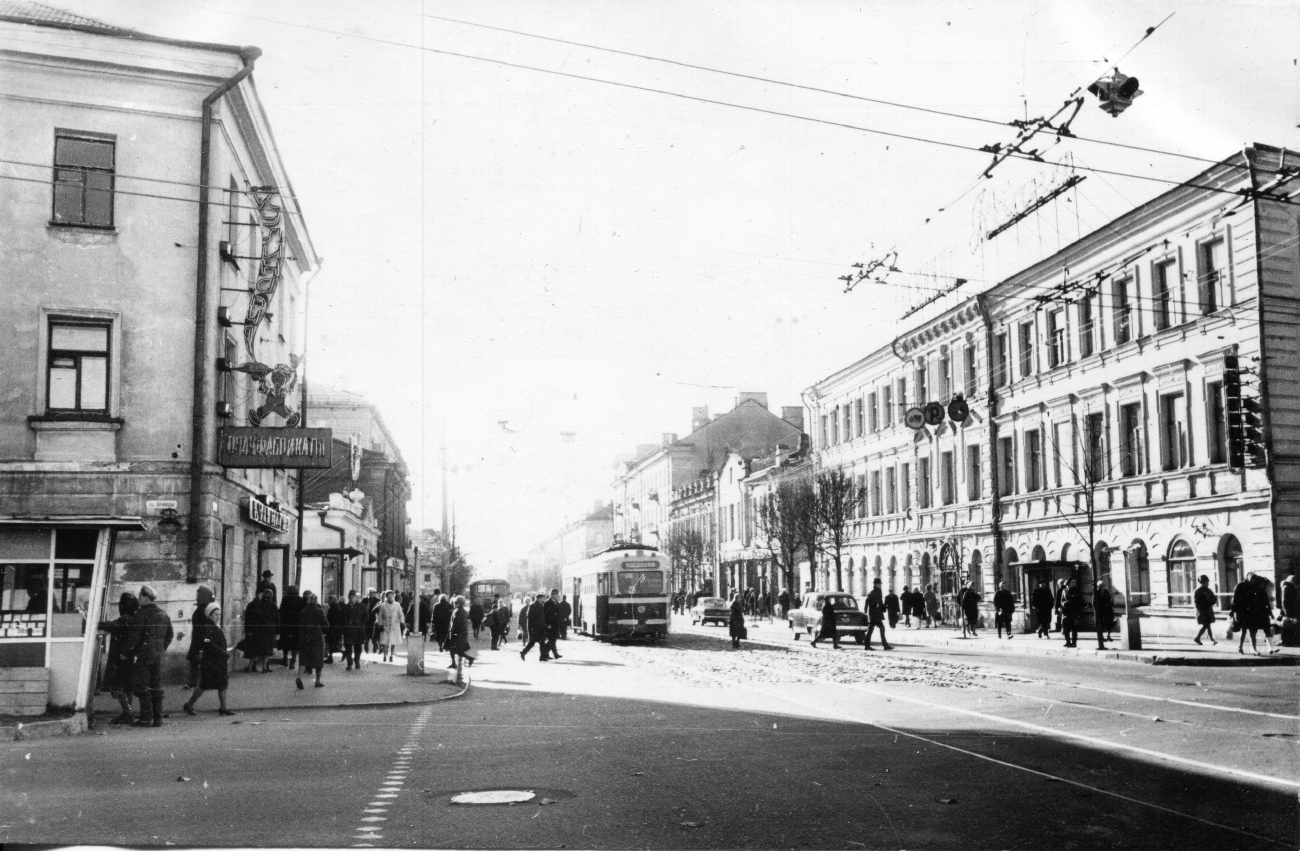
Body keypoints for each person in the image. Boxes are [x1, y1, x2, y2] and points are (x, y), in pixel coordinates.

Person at [122, 584, 173, 727]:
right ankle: (158, 718)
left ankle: (145, 718)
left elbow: (134, 637)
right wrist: (161, 648)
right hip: (157, 655)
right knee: (155, 686)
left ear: (146, 597)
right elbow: (170, 634)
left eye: (140, 596)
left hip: (143, 655)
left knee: (143, 687)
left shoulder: (141, 614)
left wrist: (125, 652)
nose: (138, 599)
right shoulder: (163, 614)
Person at [183, 602, 234, 716]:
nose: (218, 617)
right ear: (209, 615)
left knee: (222, 683)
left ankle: (223, 707)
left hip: (219, 660)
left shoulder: (215, 626)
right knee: (204, 684)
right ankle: (190, 704)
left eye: (219, 614)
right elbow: (206, 641)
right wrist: (220, 651)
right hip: (211, 660)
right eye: (215, 614)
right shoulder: (207, 627)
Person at [99, 592, 139, 724]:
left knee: (117, 685)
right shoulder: (136, 619)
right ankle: (127, 711)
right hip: (131, 657)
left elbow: (110, 626)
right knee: (128, 686)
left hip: (120, 657)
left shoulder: (125, 619)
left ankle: (128, 713)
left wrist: (97, 622)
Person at [183, 585, 215, 691]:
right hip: (198, 639)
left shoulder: (204, 610)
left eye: (198, 595)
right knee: (194, 661)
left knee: (198, 661)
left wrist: (204, 642)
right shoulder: (202, 609)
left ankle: (198, 683)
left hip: (201, 639)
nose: (196, 597)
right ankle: (193, 682)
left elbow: (205, 628)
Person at [297, 590, 329, 689]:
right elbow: (326, 625)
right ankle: (317, 681)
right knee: (319, 659)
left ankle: (299, 677)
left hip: (304, 636)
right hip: (317, 637)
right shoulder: (320, 611)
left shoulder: (303, 612)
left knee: (304, 658)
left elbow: (299, 625)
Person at [243, 586, 279, 673]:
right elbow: (277, 619)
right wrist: (277, 632)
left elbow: (252, 618)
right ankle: (264, 668)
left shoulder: (257, 604)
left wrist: (250, 630)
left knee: (255, 649)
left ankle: (250, 666)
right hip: (269, 631)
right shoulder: (273, 606)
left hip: (258, 630)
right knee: (267, 651)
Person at [277, 585, 305, 669]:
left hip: (286, 625)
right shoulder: (300, 599)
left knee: (285, 643)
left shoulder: (285, 599)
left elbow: (281, 611)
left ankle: (285, 659)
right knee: (295, 644)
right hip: (296, 625)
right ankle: (293, 661)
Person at [375, 590, 405, 662]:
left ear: (393, 596)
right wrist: (380, 624)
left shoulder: (397, 604)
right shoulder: (383, 605)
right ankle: (385, 655)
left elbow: (400, 614)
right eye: (389, 596)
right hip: (385, 626)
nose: (390, 598)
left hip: (395, 626)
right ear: (386, 597)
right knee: (385, 642)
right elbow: (380, 616)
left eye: (391, 596)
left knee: (393, 641)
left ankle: (391, 655)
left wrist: (402, 622)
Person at [342, 589, 368, 670]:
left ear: (356, 598)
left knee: (358, 647)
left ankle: (357, 661)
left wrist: (361, 625)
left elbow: (366, 617)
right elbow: (342, 619)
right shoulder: (345, 607)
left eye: (353, 597)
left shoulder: (361, 606)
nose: (351, 599)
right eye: (350, 597)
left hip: (358, 630)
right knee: (348, 648)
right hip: (348, 631)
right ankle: (349, 663)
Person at [865, 578, 893, 650]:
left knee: (872, 629)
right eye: (879, 584)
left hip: (874, 614)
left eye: (880, 584)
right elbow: (873, 602)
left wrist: (883, 606)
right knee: (880, 628)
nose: (880, 585)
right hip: (875, 614)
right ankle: (884, 645)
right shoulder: (875, 592)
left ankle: (867, 645)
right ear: (876, 584)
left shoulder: (874, 592)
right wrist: (879, 605)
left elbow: (870, 603)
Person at [521, 593, 549, 660]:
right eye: (542, 598)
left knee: (542, 642)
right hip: (535, 628)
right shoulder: (533, 606)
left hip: (540, 627)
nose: (543, 600)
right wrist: (531, 629)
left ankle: (542, 656)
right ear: (538, 599)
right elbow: (530, 618)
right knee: (532, 642)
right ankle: (523, 652)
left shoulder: (540, 605)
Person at [447, 595, 473, 668]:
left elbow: (457, 623)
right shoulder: (460, 610)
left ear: (459, 603)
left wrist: (452, 631)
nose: (454, 604)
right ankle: (454, 663)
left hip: (457, 633)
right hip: (459, 633)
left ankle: (469, 659)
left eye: (455, 603)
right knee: (453, 649)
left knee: (457, 650)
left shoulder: (459, 611)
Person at [1193, 575, 1219, 645]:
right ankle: (1202, 638)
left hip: (1208, 610)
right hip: (1202, 611)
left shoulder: (1208, 590)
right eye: (1205, 582)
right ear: (1202, 583)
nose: (1207, 583)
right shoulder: (1198, 591)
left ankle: (1209, 639)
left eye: (1207, 582)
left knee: (1207, 625)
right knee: (1206, 625)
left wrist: (1212, 601)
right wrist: (1205, 603)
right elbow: (1196, 602)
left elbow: (1213, 598)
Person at [1061, 579, 1083, 648]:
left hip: (1074, 611)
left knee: (1074, 628)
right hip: (1066, 611)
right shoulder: (1064, 591)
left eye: (1074, 582)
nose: (1074, 584)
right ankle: (1068, 642)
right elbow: (1062, 600)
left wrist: (1070, 599)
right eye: (1072, 582)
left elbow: (1079, 600)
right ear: (1068, 583)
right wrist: (1063, 603)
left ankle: (1074, 643)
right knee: (1065, 627)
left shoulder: (1076, 590)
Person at [1093, 580, 1115, 649]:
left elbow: (1110, 598)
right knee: (1101, 624)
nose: (1102, 587)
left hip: (1108, 610)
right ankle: (1102, 637)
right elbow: (1094, 602)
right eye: (1101, 585)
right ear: (1098, 586)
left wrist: (1111, 602)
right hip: (1101, 611)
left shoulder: (1106, 591)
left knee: (1109, 623)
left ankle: (1108, 636)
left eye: (1103, 585)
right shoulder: (1096, 592)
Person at [543, 589, 563, 660]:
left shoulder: (556, 602)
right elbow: (546, 615)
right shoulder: (547, 603)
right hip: (550, 625)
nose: (558, 596)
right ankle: (554, 654)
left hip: (555, 624)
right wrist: (548, 624)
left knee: (553, 640)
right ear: (553, 595)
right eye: (557, 595)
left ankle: (545, 653)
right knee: (552, 640)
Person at [326, 594, 345, 664]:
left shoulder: (333, 608)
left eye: (329, 600)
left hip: (333, 629)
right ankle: (330, 657)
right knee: (333, 643)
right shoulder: (336, 607)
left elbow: (331, 619)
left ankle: (342, 653)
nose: (328, 602)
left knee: (332, 644)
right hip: (336, 629)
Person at [363, 588, 381, 654]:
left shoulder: (378, 600)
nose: (372, 594)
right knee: (366, 636)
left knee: (374, 636)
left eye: (373, 593)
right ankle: (366, 649)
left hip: (373, 620)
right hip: (366, 620)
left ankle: (375, 648)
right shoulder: (364, 600)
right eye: (371, 593)